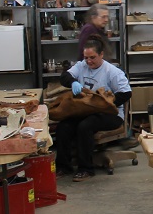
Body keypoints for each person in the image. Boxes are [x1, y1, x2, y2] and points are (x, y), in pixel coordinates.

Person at [56, 37, 131, 182]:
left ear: (101, 54)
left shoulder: (112, 72)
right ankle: (64, 166)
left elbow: (126, 93)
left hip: (111, 114)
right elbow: (64, 77)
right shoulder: (82, 66)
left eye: (92, 57)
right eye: (86, 57)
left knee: (85, 126)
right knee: (64, 126)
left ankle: (86, 169)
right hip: (86, 111)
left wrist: (105, 104)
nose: (89, 61)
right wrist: (73, 82)